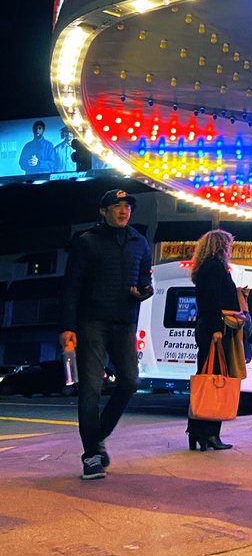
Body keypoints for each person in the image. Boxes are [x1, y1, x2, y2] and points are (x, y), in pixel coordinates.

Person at [58, 188, 153, 479]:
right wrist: (68, 327)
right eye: (116, 206)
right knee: (90, 388)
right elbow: (71, 287)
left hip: (124, 322)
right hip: (91, 323)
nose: (124, 211)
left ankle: (97, 436)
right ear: (104, 211)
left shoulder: (139, 242)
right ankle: (90, 457)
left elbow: (144, 280)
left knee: (129, 382)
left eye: (127, 206)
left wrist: (144, 292)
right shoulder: (87, 242)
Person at [188, 229, 248, 452]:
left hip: (206, 327)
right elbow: (212, 301)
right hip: (216, 328)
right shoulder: (215, 267)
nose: (229, 250)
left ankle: (196, 431)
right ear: (220, 246)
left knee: (205, 380)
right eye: (227, 246)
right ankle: (210, 433)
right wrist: (216, 329)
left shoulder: (205, 268)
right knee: (215, 380)